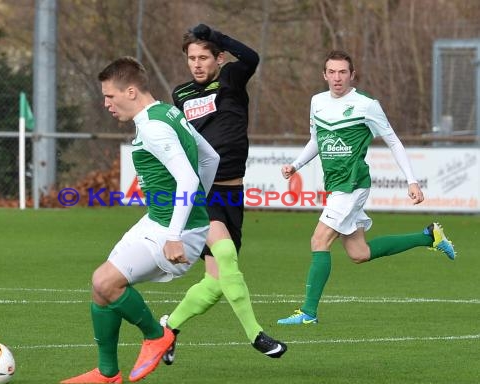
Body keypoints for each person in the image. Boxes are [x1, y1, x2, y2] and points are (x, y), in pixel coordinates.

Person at [61, 56, 219, 384]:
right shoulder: (167, 112)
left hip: (175, 231)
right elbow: (210, 157)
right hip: (158, 220)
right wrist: (196, 203)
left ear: (131, 91)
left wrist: (176, 233)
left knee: (106, 282)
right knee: (100, 287)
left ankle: (156, 336)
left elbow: (188, 180)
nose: (106, 103)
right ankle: (107, 372)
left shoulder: (153, 125)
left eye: (110, 96)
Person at [277, 50, 456, 326]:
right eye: (332, 72)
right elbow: (316, 139)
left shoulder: (366, 105)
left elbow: (393, 141)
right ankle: (429, 236)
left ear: (352, 75)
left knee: (319, 241)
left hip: (353, 184)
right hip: (337, 185)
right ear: (324, 75)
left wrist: (412, 180)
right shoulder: (317, 102)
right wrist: (296, 165)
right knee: (359, 253)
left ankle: (308, 312)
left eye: (343, 72)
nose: (337, 78)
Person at [159, 23, 287, 364]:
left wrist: (217, 35)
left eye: (204, 57)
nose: (197, 64)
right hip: (203, 193)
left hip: (232, 193)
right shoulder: (181, 95)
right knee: (226, 256)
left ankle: (168, 328)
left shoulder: (230, 79)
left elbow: (252, 56)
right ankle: (256, 335)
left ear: (218, 58)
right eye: (191, 58)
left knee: (216, 282)